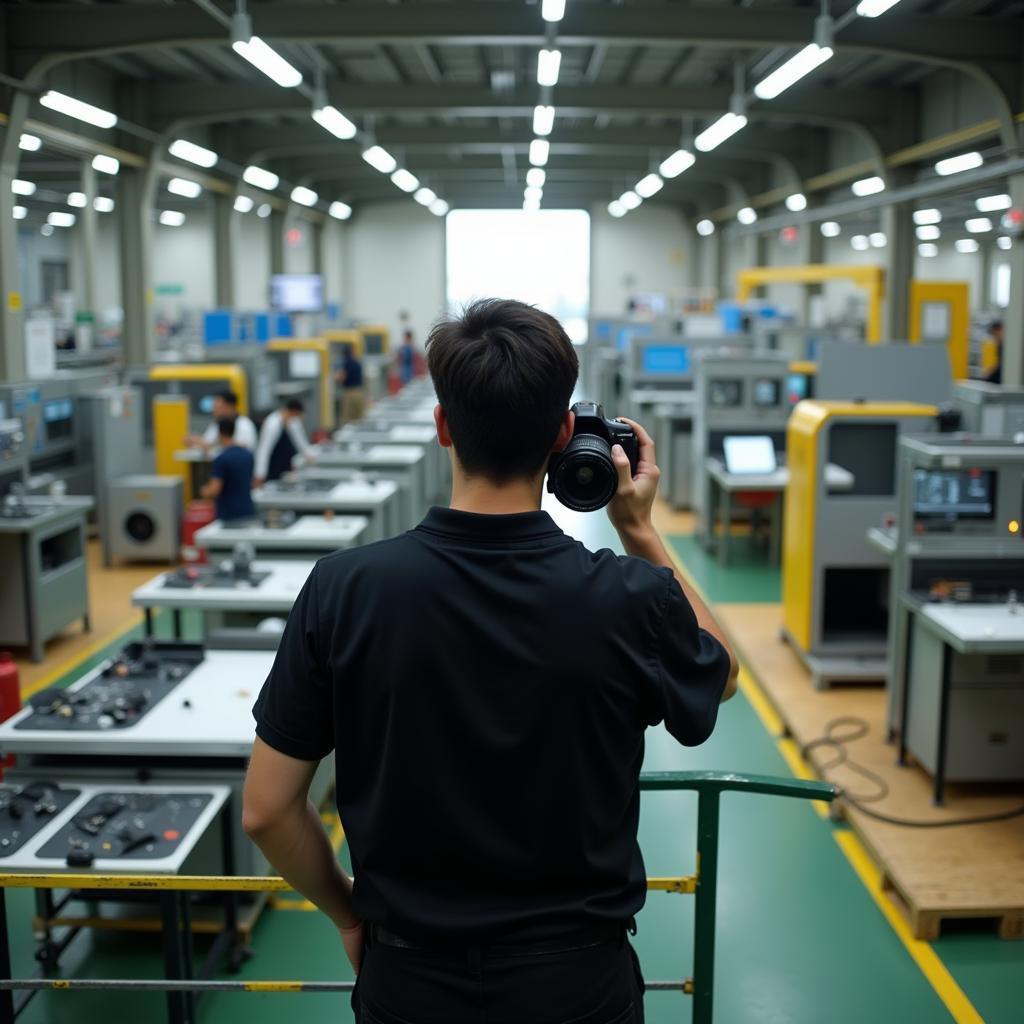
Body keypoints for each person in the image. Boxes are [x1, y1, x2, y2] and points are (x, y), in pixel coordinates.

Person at [243, 299, 738, 1024]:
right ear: (565, 436)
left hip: (408, 982)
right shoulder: (630, 596)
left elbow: (265, 810)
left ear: (443, 426)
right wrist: (640, 531)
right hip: (578, 986)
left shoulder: (344, 589)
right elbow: (719, 674)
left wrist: (352, 918)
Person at [200, 416, 256, 522]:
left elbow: (214, 490)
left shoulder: (221, 459)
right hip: (248, 512)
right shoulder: (248, 455)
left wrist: (205, 491)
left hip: (229, 515)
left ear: (219, 433)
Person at [253, 397, 315, 486]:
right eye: (295, 415)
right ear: (291, 411)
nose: (295, 418)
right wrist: (260, 474)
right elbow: (264, 450)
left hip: (287, 467)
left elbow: (301, 442)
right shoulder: (272, 423)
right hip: (273, 466)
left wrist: (310, 456)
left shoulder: (294, 422)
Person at [186, 390, 257, 452]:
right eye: (214, 407)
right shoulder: (216, 424)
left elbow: (245, 449)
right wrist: (196, 441)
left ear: (230, 406)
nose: (214, 411)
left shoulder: (244, 424)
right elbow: (207, 443)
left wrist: (213, 447)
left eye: (218, 407)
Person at [336, 345, 366, 424]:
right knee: (359, 417)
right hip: (359, 392)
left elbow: (342, 377)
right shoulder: (358, 363)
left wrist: (336, 380)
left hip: (349, 392)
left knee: (348, 418)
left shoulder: (346, 363)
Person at [983, 320, 1004, 385]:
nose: (994, 336)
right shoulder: (998, 344)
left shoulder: (1003, 345)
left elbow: (1000, 363)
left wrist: (989, 373)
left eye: (994, 333)